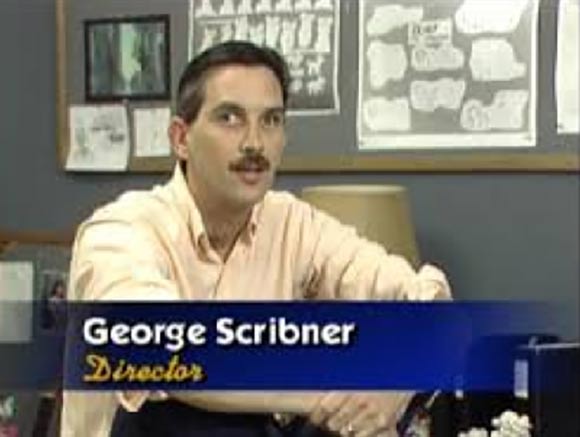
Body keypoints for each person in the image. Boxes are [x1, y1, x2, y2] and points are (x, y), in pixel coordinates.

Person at [61, 41, 451, 437]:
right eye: (229, 118)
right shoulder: (118, 231)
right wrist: (337, 396)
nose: (254, 143)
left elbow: (428, 302)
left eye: (271, 120)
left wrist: (395, 386)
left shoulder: (293, 224)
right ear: (181, 138)